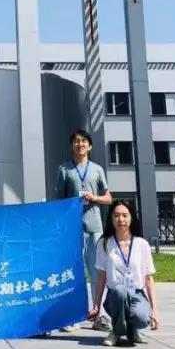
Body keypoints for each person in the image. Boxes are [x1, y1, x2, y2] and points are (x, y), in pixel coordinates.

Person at [54, 128, 112, 331]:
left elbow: (108, 198)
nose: (80, 144)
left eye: (84, 141)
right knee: (74, 272)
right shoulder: (64, 169)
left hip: (95, 227)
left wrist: (93, 197)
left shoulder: (97, 170)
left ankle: (99, 315)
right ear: (72, 146)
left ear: (90, 146)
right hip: (73, 229)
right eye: (76, 141)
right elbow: (59, 202)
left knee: (97, 271)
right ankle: (72, 316)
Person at [88, 199, 160, 347]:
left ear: (131, 218)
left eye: (125, 215)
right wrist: (96, 305)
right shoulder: (104, 243)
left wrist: (155, 310)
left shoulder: (142, 244)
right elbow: (101, 277)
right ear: (111, 218)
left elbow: (148, 278)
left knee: (143, 319)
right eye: (116, 215)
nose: (120, 219)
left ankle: (132, 330)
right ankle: (116, 332)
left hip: (136, 294)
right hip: (115, 295)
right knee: (120, 290)